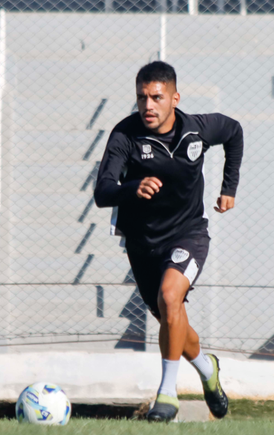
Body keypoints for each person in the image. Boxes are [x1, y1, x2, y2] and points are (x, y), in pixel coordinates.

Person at [94, 61, 244, 422]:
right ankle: (208, 369)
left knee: (170, 296)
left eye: (156, 97)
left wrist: (229, 188)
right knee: (171, 319)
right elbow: (102, 192)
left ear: (174, 98)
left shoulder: (198, 129)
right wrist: (133, 187)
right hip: (143, 243)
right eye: (142, 97)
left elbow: (234, 132)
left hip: (189, 232)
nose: (148, 106)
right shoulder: (125, 136)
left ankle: (167, 394)